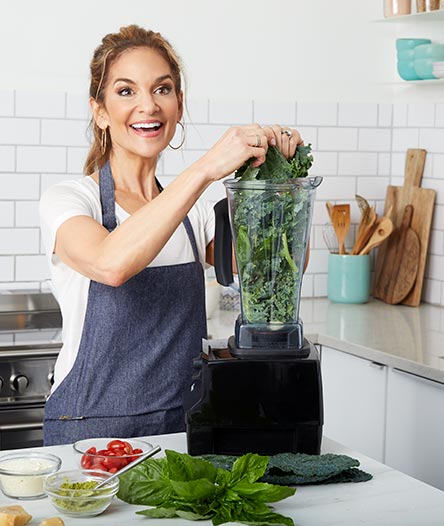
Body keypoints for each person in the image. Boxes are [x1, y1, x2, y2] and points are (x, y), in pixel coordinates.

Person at [39, 24, 303, 446]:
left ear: (179, 105)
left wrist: (274, 187)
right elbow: (111, 264)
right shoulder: (70, 200)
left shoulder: (193, 214)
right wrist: (204, 169)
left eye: (162, 89)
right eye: (126, 92)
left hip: (184, 427)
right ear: (100, 111)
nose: (148, 105)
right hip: (90, 431)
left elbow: (269, 274)